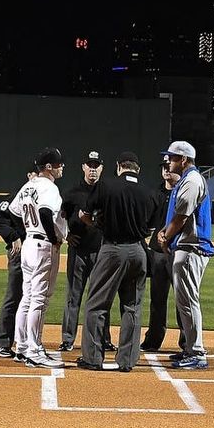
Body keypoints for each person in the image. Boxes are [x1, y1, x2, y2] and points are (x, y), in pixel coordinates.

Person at [75, 152, 156, 372]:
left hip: (112, 249)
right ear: (137, 169)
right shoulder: (150, 193)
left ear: (119, 166)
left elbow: (84, 214)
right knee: (132, 307)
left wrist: (96, 224)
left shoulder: (106, 186)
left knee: (97, 305)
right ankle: (127, 360)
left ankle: (93, 358)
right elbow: (150, 229)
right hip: (139, 251)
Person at [155, 139, 214, 370]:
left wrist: (166, 237)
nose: (168, 161)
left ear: (184, 159)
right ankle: (190, 349)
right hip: (187, 247)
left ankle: (197, 352)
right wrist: (165, 232)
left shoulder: (191, 181)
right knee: (185, 302)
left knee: (188, 302)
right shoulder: (186, 181)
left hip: (192, 247)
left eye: (172, 157)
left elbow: (181, 217)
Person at [11, 148, 68, 368]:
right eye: (59, 164)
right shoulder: (49, 187)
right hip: (43, 244)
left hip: (28, 244)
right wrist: (53, 237)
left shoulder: (28, 186)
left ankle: (22, 347)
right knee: (39, 299)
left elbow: (14, 213)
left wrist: (26, 232)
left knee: (27, 297)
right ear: (48, 167)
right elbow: (45, 212)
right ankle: (34, 349)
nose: (62, 167)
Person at [58, 150, 105, 351]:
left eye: (96, 166)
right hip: (78, 251)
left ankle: (103, 338)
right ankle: (68, 339)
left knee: (101, 298)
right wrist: (65, 235)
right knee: (73, 296)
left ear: (101, 168)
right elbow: (59, 217)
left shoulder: (106, 192)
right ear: (83, 167)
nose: (93, 169)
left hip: (101, 251)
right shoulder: (71, 193)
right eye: (89, 165)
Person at [0, 167, 35, 358]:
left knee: (33, 297)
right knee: (15, 295)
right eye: (35, 175)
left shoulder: (42, 197)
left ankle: (26, 343)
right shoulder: (15, 197)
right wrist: (13, 236)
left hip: (36, 253)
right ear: (29, 176)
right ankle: (4, 342)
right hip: (19, 252)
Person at [138, 162, 177, 353]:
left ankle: (187, 344)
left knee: (183, 300)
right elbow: (147, 222)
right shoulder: (155, 194)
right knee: (157, 299)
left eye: (169, 167)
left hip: (178, 251)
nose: (167, 171)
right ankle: (153, 341)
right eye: (164, 168)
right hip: (158, 253)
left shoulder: (183, 191)